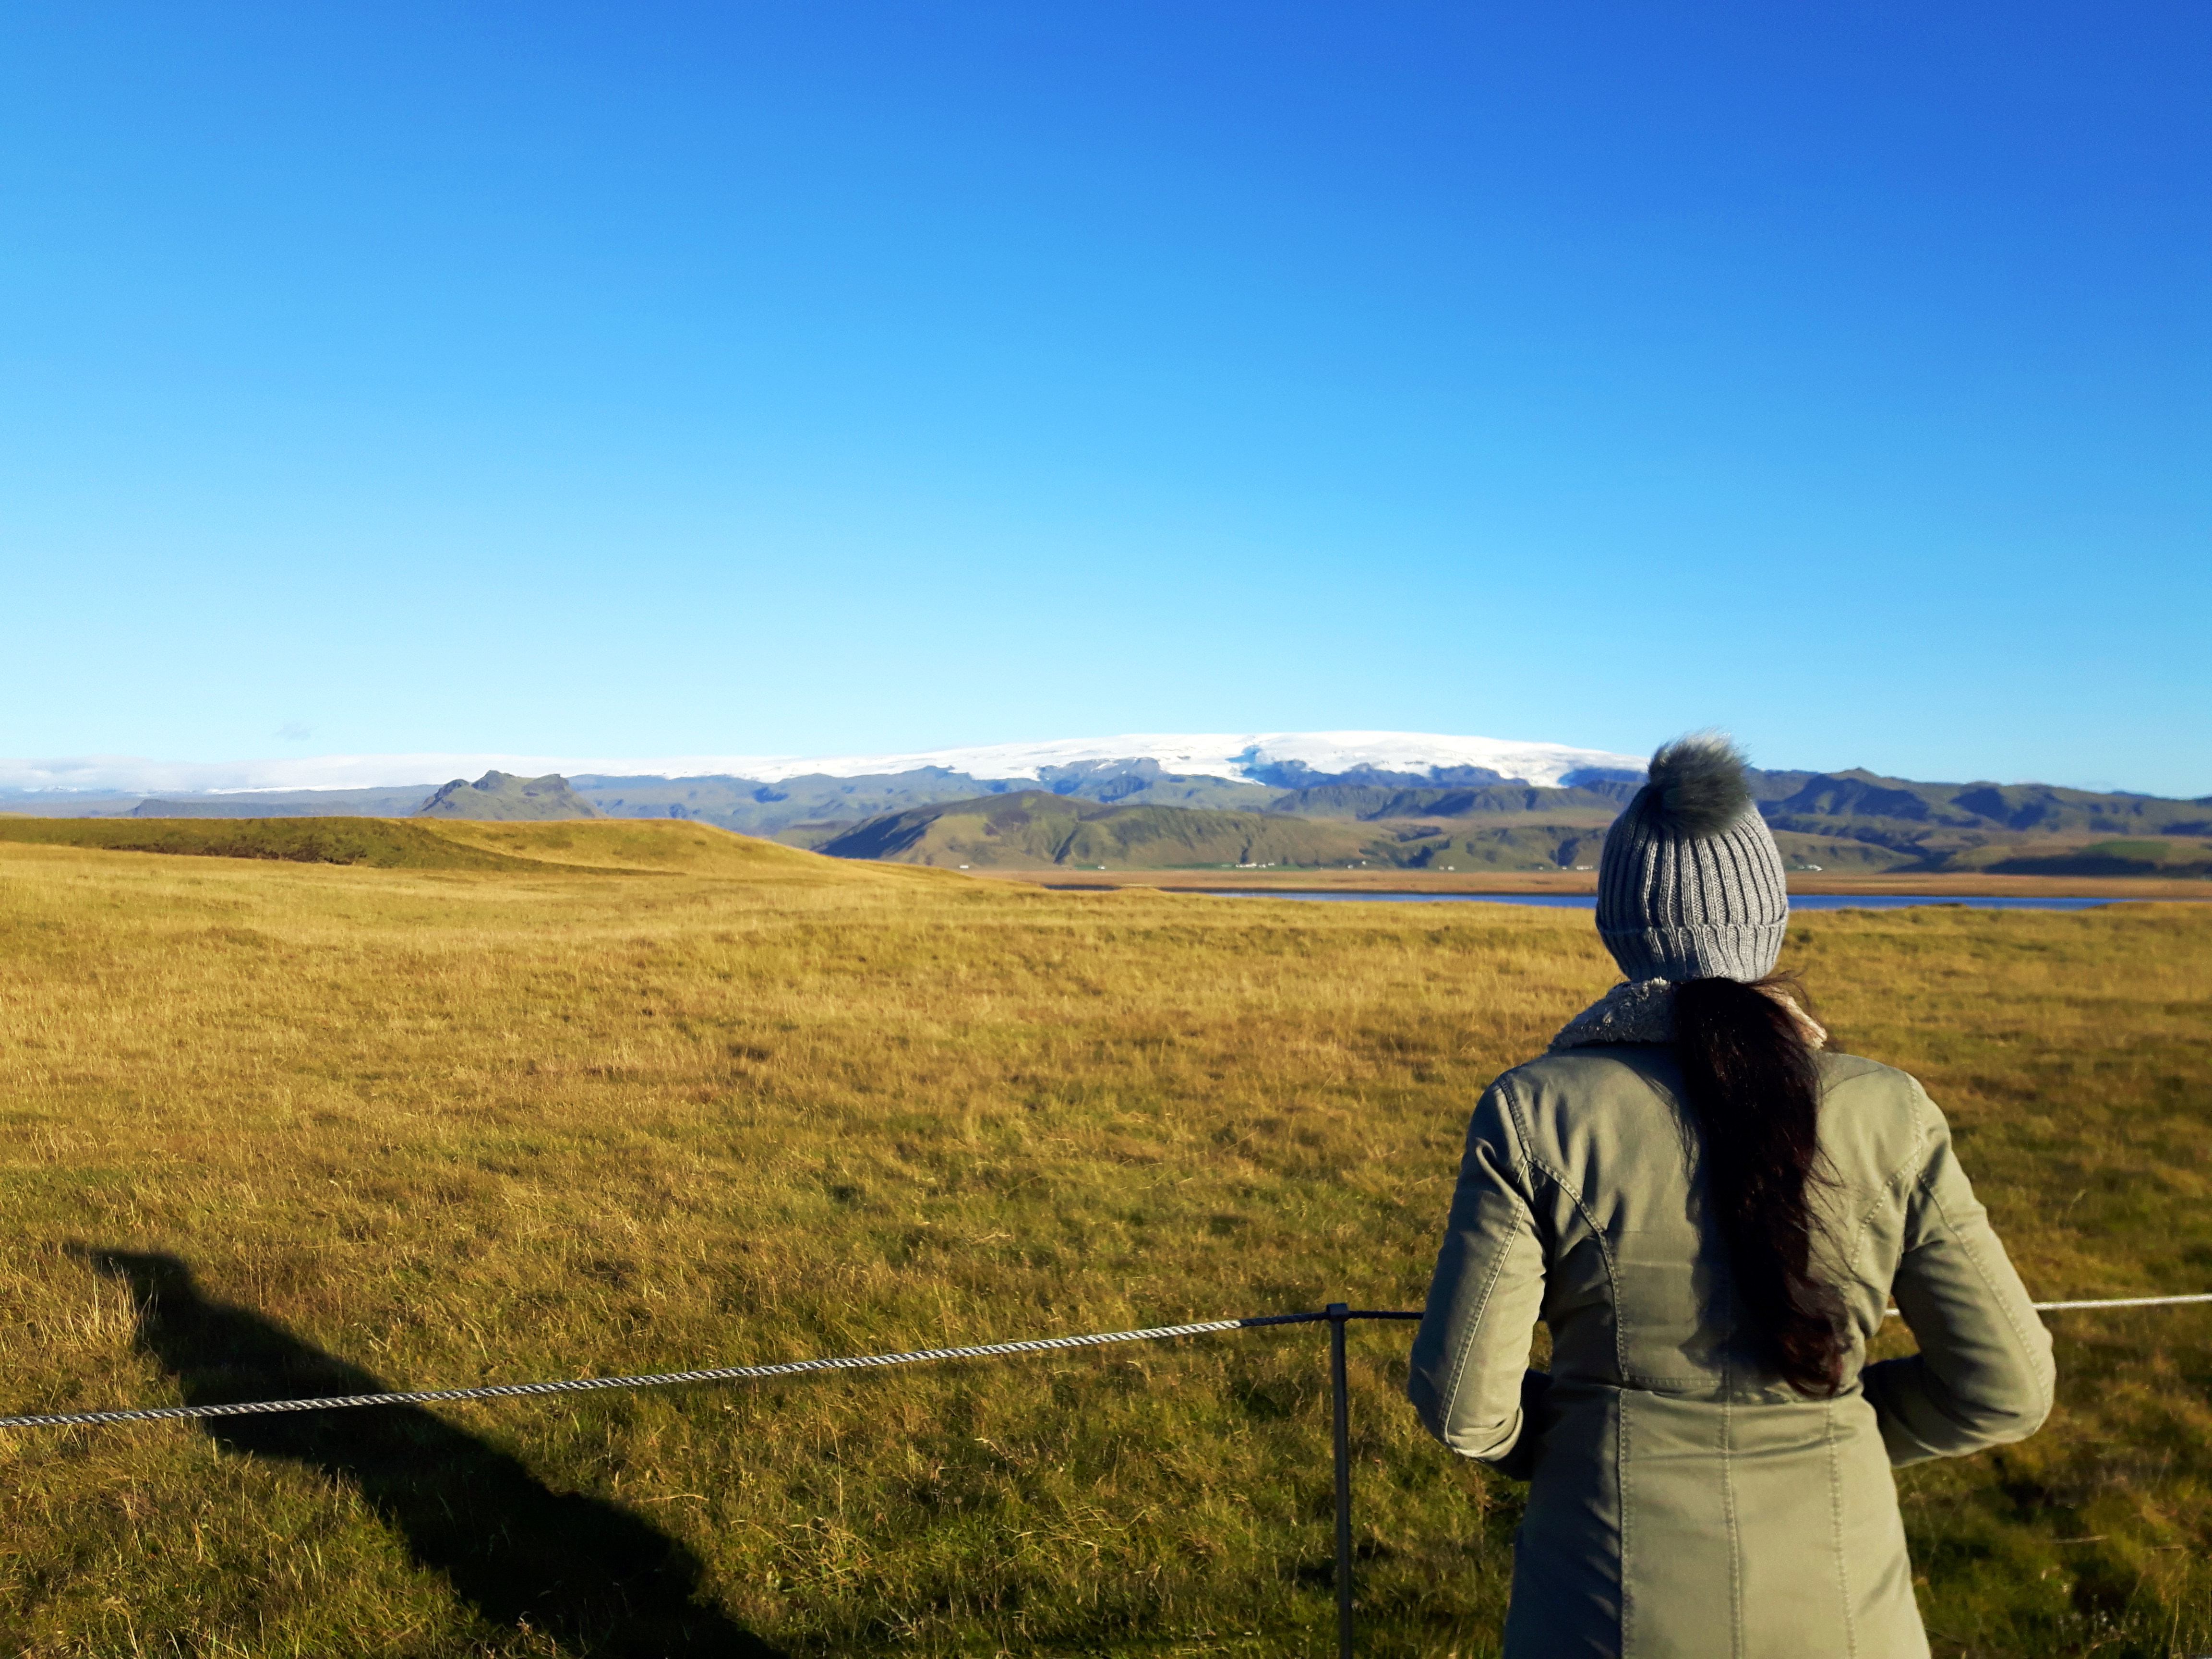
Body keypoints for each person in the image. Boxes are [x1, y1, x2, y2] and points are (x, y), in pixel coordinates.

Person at [1407, 733, 2054, 1659]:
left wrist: (1586, 1440)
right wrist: (1844, 1423)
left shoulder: (1535, 1111)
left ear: (1615, 922)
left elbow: (1467, 1409)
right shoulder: (1888, 1111)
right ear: (1773, 917)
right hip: (1850, 1615)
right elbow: (2008, 1390)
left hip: (1599, 1610)